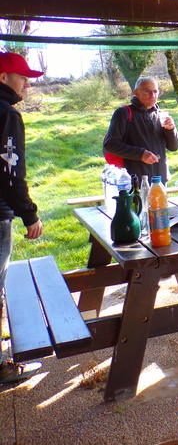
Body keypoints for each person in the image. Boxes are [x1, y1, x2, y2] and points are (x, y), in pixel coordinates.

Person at [0, 52, 44, 384]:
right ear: (3, 77)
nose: (26, 85)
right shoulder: (6, 114)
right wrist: (29, 214)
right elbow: (10, 171)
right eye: (22, 78)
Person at [103, 77, 178, 180]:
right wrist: (141, 154)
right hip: (134, 179)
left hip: (160, 178)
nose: (152, 95)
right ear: (136, 92)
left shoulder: (161, 115)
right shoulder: (124, 113)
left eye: (155, 91)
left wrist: (171, 129)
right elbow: (110, 144)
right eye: (147, 91)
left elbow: (174, 147)